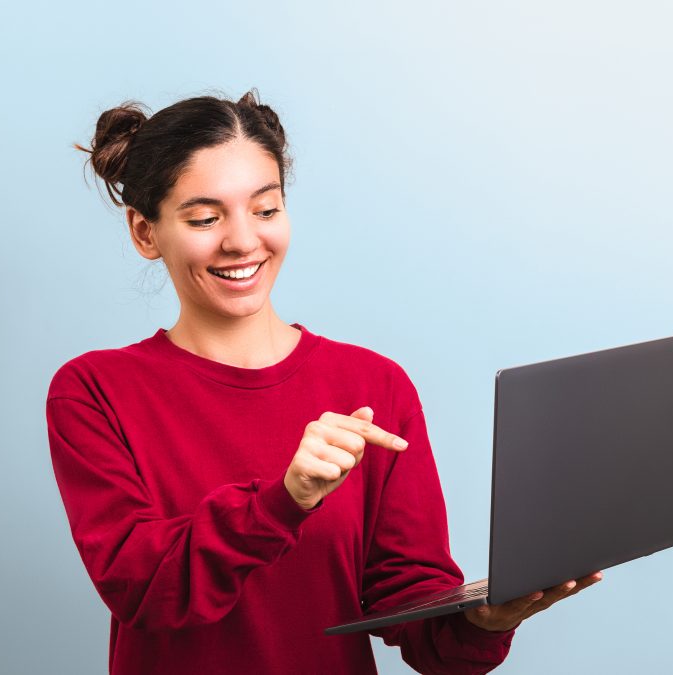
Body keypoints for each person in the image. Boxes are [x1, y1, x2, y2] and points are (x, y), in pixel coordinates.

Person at [46, 89, 602, 675]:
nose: (242, 241)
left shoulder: (374, 385)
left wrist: (482, 618)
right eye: (206, 218)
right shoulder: (94, 391)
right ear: (145, 232)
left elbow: (410, 607)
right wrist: (286, 501)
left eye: (265, 210)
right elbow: (147, 589)